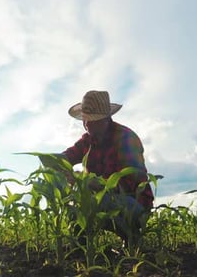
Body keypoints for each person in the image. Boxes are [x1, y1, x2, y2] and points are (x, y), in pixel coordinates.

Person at [61, 90, 154, 248]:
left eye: (92, 120)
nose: (87, 125)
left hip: (133, 203)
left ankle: (133, 238)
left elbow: (133, 180)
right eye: (85, 119)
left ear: (105, 119)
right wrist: (61, 169)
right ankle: (80, 247)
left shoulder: (125, 138)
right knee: (73, 200)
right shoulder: (88, 140)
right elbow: (66, 157)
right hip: (99, 200)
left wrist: (96, 184)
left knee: (100, 199)